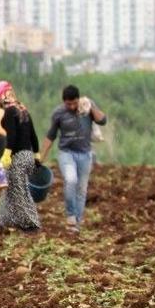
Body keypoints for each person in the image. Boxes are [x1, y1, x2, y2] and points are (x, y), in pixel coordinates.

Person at [40, 85, 108, 234]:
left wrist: (90, 108)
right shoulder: (59, 113)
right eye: (68, 104)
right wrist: (41, 157)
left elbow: (102, 120)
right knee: (71, 180)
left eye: (74, 103)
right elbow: (51, 135)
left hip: (85, 154)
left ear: (78, 99)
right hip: (67, 153)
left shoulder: (86, 106)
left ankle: (76, 223)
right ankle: (71, 216)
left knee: (81, 190)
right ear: (63, 102)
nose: (71, 107)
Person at [0, 81, 41, 235]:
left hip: (18, 157)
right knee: (9, 189)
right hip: (28, 156)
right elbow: (33, 135)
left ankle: (30, 225)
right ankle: (3, 222)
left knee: (19, 191)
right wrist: (37, 155)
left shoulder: (10, 111)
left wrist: (7, 153)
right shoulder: (23, 110)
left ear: (1, 97)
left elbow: (12, 136)